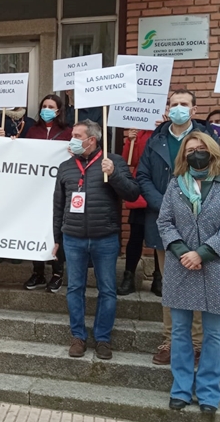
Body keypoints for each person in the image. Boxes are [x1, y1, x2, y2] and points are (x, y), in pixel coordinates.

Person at [158, 132, 220, 413]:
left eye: (201, 148)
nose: (196, 153)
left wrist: (202, 253)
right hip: (180, 264)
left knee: (214, 333)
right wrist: (183, 251)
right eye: (190, 149)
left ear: (212, 151)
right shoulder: (175, 185)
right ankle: (181, 389)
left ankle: (209, 392)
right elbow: (165, 221)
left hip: (216, 265)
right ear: (184, 155)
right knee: (180, 331)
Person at [137, 89, 219, 366]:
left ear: (194, 110)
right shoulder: (156, 140)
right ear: (167, 109)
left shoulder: (207, 139)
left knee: (197, 283)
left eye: (184, 104)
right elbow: (143, 177)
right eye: (174, 104)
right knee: (171, 285)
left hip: (201, 223)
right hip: (165, 223)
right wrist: (167, 206)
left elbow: (219, 174)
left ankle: (196, 344)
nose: (178, 108)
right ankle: (170, 341)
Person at [53, 120, 140, 360]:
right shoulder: (66, 167)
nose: (72, 139)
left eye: (77, 135)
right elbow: (58, 205)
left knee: (107, 290)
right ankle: (78, 336)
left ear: (91, 140)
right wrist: (56, 237)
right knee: (75, 288)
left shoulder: (113, 162)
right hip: (73, 237)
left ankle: (103, 339)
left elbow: (132, 193)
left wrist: (113, 175)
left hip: (105, 237)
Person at [21, 95, 70, 292]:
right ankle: (38, 272)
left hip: (59, 191)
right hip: (36, 191)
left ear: (58, 111)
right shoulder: (32, 131)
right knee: (36, 229)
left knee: (56, 230)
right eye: (44, 106)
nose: (47, 109)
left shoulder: (67, 132)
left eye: (51, 106)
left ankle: (57, 273)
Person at [117, 128, 157, 296]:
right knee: (135, 237)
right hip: (141, 193)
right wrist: (130, 142)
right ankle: (129, 277)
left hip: (161, 192)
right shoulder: (139, 134)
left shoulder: (168, 132)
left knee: (160, 238)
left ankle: (159, 278)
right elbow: (128, 162)